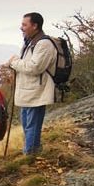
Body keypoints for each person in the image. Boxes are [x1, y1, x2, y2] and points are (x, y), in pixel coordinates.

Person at [6, 12, 56, 155]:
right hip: (28, 91)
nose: (21, 28)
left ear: (35, 26)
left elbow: (34, 67)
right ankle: (31, 151)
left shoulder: (44, 44)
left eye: (24, 24)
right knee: (27, 125)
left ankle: (31, 155)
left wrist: (14, 62)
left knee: (32, 125)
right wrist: (15, 63)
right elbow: (28, 64)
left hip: (36, 91)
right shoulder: (31, 42)